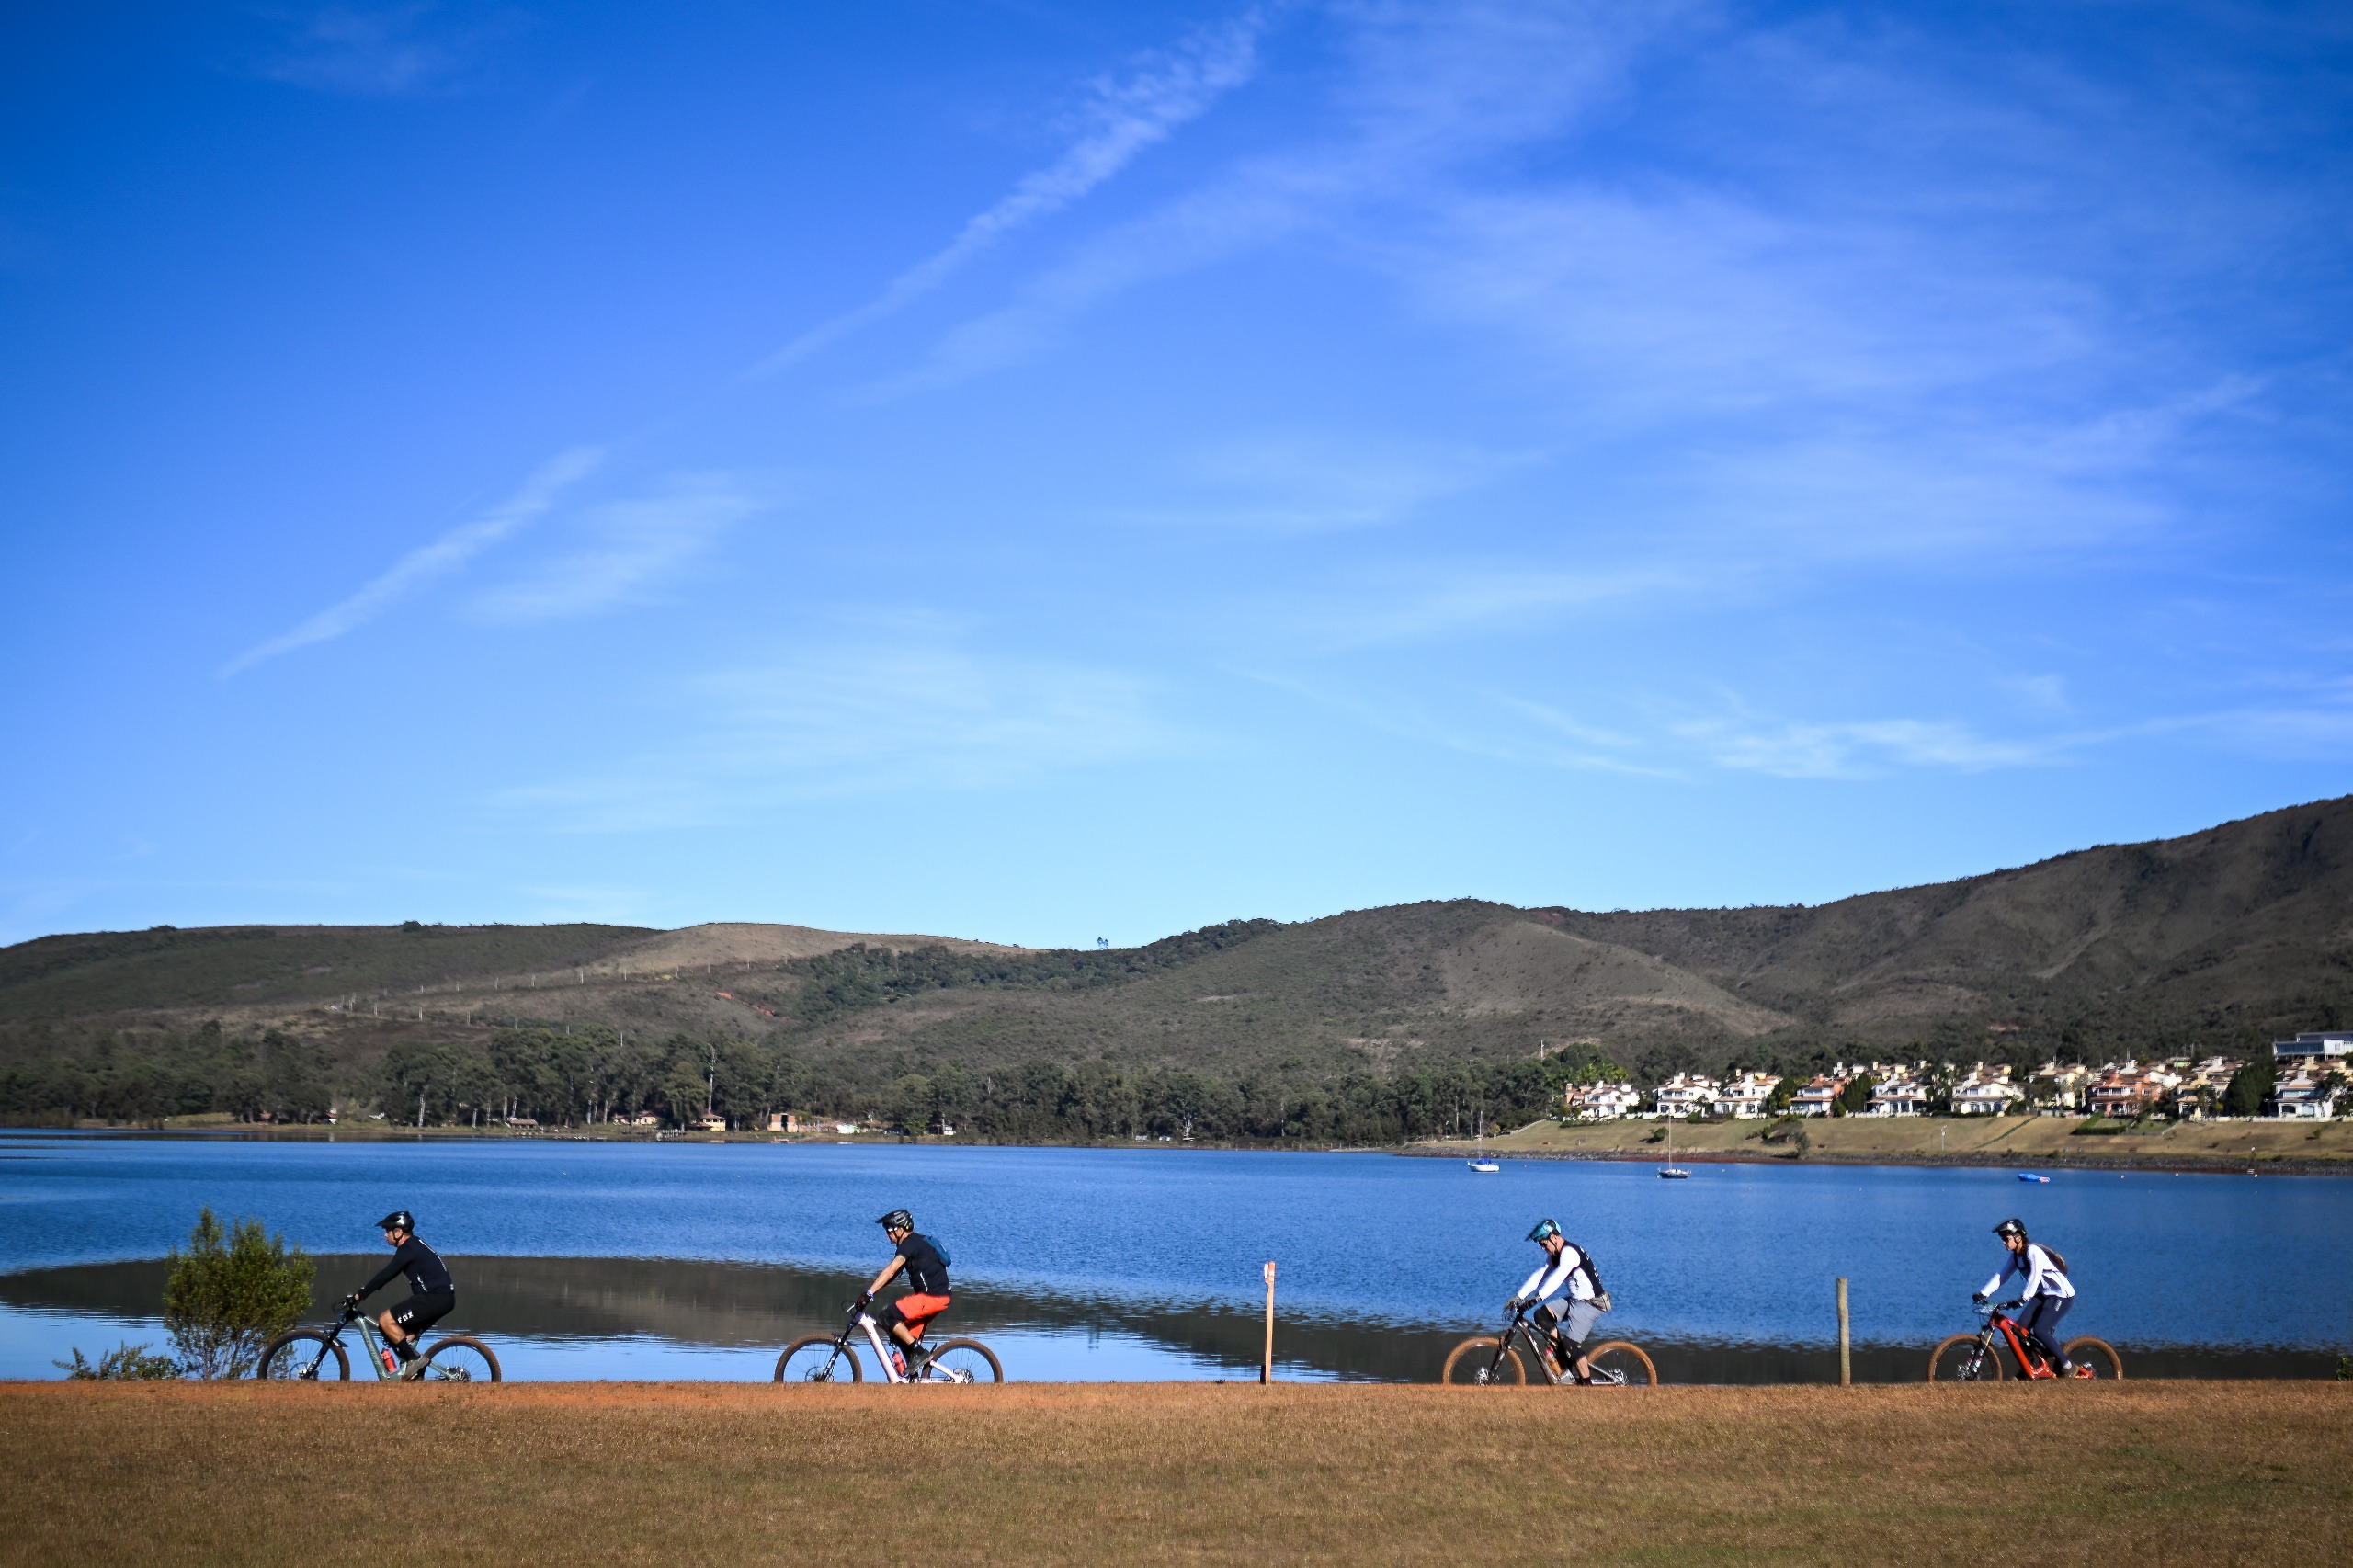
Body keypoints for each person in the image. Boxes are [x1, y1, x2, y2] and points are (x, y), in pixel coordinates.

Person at [344, 1210, 455, 1380]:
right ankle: (410, 1373)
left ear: (398, 1232)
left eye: (387, 1231)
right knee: (403, 1338)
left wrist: (360, 1295)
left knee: (385, 1320)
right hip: (443, 1298)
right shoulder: (415, 1243)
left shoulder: (408, 1249)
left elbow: (385, 1275)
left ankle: (415, 1360)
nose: (385, 1235)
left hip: (433, 1298)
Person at [1976, 1217, 2088, 1379]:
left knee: (2041, 1330)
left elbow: (2035, 1276)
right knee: (2019, 1328)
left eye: (2006, 1239)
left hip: (2061, 1295)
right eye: (2003, 1239)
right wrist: (1983, 1293)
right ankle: (2031, 1366)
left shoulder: (2033, 1251)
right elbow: (2002, 1275)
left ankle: (2067, 1366)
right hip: (2045, 1293)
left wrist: (2024, 1298)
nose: (2003, 1242)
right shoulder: (2016, 1257)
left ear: (2018, 1237)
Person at [1507, 1218, 1607, 1384]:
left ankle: (1587, 1384)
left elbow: (1557, 1278)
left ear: (1554, 1237)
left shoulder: (1569, 1253)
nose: (1542, 1248)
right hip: (1576, 1301)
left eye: (1543, 1243)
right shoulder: (1556, 1255)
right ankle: (1562, 1356)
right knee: (1541, 1315)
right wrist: (1519, 1296)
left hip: (1591, 1303)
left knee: (1571, 1345)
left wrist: (1538, 1297)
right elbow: (1540, 1275)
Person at [859, 1209, 951, 1379]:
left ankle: (920, 1353)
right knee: (903, 1337)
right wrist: (873, 1293)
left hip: (932, 1298)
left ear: (900, 1229)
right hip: (937, 1297)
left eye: (889, 1230)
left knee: (887, 1316)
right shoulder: (915, 1242)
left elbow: (891, 1269)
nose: (887, 1234)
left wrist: (869, 1292)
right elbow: (893, 1275)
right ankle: (913, 1378)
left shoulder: (909, 1244)